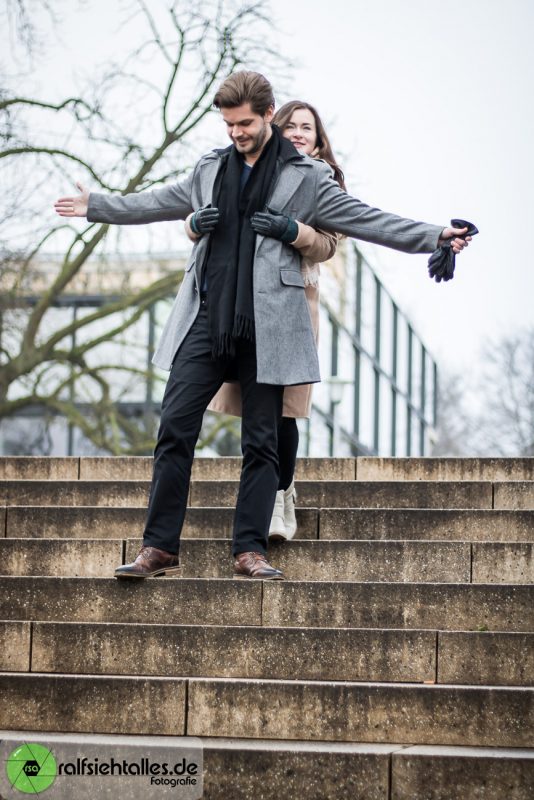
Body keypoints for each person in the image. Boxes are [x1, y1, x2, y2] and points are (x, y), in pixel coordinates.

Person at [54, 70, 472, 582]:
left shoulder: (307, 177)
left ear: (268, 114)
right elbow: (156, 202)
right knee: (174, 428)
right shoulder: (209, 169)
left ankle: (249, 550)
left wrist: (434, 235)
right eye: (229, 124)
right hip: (207, 318)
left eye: (245, 123)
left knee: (262, 442)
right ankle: (158, 547)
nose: (236, 132)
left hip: (270, 324)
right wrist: (98, 206)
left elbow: (365, 218)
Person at [184, 100, 345, 542]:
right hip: (242, 309)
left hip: (294, 306)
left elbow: (330, 244)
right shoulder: (250, 169)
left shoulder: (321, 182)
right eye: (289, 124)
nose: (296, 133)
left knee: (285, 411)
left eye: (306, 128)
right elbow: (190, 209)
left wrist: (294, 230)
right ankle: (268, 496)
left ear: (318, 138)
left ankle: (281, 494)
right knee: (260, 414)